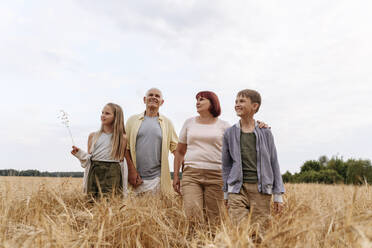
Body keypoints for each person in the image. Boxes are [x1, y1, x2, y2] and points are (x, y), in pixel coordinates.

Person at [222, 89, 285, 229]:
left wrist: (278, 195)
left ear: (254, 106)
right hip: (237, 189)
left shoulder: (265, 132)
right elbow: (226, 166)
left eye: (242, 101)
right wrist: (226, 193)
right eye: (236, 101)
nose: (237, 104)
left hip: (261, 190)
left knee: (258, 233)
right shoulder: (229, 133)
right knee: (239, 230)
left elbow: (274, 162)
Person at [173, 91, 230, 223]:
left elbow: (233, 152)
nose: (197, 102)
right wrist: (176, 176)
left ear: (213, 103)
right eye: (197, 100)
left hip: (216, 176)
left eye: (202, 99)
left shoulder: (224, 126)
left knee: (215, 219)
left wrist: (259, 125)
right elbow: (180, 151)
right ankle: (193, 243)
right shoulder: (189, 123)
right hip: (191, 174)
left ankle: (213, 244)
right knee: (192, 215)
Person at [125, 88, 178, 195]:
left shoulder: (167, 123)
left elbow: (176, 149)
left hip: (157, 179)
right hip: (135, 179)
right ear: (144, 99)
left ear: (162, 102)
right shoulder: (132, 120)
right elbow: (125, 148)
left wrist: (184, 172)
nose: (154, 97)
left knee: (156, 210)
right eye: (150, 95)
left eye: (157, 96)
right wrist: (131, 171)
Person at [71, 103, 128, 198]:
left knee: (111, 201)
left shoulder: (121, 138)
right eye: (102, 112)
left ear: (116, 117)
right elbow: (89, 159)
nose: (103, 115)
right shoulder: (93, 136)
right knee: (92, 201)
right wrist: (79, 153)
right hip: (94, 171)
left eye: (107, 113)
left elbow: (121, 162)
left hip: (112, 173)